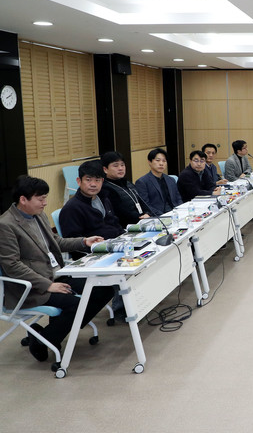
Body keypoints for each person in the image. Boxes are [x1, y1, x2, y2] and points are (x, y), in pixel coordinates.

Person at [0, 176, 113, 362]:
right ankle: (48, 338)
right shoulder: (6, 225)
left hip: (56, 275)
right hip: (30, 287)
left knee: (104, 288)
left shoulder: (38, 215)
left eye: (45, 198)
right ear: (23, 199)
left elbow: (56, 242)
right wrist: (47, 285)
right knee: (76, 304)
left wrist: (84, 241)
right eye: (41, 199)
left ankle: (46, 336)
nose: (45, 203)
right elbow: (12, 265)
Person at [59, 160, 124, 248]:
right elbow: (73, 243)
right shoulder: (71, 208)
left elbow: (115, 224)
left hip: (117, 244)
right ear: (79, 181)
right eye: (88, 180)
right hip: (96, 251)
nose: (93, 184)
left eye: (97, 180)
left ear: (102, 181)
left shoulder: (104, 198)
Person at [100, 151, 152, 227]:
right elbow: (122, 213)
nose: (120, 168)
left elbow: (142, 202)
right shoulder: (106, 188)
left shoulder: (128, 183)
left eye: (122, 165)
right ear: (105, 169)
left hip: (142, 221)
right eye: (115, 166)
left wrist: (147, 213)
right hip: (127, 226)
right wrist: (140, 218)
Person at [136, 148, 183, 216]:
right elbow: (146, 206)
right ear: (149, 162)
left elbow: (178, 199)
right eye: (157, 160)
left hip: (175, 214)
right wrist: (163, 216)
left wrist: (180, 210)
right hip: (158, 216)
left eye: (164, 161)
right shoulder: (142, 182)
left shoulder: (171, 180)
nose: (161, 163)